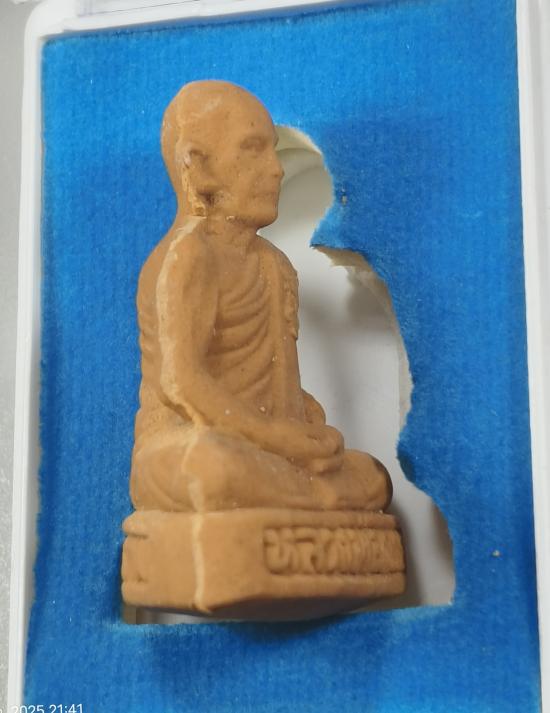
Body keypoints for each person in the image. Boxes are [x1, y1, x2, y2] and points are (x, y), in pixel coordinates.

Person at [130, 80, 391, 514]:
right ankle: (311, 499)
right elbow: (181, 384)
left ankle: (307, 496)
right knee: (210, 469)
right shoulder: (188, 255)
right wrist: (279, 438)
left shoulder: (275, 265)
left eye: (274, 151)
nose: (276, 169)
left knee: (374, 479)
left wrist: (305, 421)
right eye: (253, 150)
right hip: (191, 446)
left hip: (266, 450)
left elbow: (280, 387)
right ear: (199, 166)